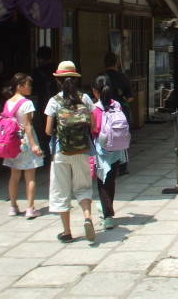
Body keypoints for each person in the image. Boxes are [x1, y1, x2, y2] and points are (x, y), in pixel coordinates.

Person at [44, 61, 97, 243]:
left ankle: (66, 232)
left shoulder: (54, 101)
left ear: (58, 80)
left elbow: (48, 130)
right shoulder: (86, 99)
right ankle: (87, 217)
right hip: (82, 150)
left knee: (60, 190)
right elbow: (93, 125)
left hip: (61, 151)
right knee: (83, 187)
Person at [1, 73, 44, 219]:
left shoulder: (8, 102)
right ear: (20, 86)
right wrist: (34, 145)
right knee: (30, 176)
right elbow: (27, 125)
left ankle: (13, 206)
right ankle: (30, 208)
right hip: (25, 140)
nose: (30, 87)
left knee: (14, 175)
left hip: (12, 141)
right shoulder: (27, 103)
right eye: (28, 84)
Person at [90, 74, 129, 229]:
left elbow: (93, 129)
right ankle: (107, 208)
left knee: (102, 182)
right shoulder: (117, 105)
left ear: (95, 91)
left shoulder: (94, 108)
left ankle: (107, 216)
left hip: (102, 150)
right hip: (117, 148)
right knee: (111, 181)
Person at [104, 51, 133, 175]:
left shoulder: (101, 78)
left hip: (104, 111)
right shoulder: (123, 77)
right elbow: (130, 97)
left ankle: (107, 164)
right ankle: (123, 166)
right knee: (122, 137)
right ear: (117, 63)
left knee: (105, 138)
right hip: (121, 112)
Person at [31, 46, 56, 158]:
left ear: (40, 58)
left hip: (43, 103)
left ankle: (47, 153)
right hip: (57, 101)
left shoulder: (37, 72)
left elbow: (34, 89)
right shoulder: (56, 69)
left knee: (44, 129)